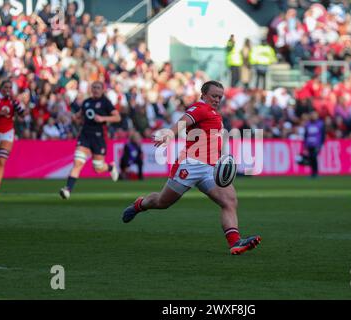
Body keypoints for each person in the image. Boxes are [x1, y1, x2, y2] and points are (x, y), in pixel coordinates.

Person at [121, 81, 261, 255]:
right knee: (162, 202)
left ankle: (235, 243)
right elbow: (183, 122)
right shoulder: (200, 108)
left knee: (229, 201)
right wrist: (169, 134)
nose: (217, 99)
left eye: (220, 97)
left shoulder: (214, 113)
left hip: (210, 167)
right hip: (190, 164)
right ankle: (140, 204)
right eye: (214, 96)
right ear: (203, 94)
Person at [60, 81, 121, 199]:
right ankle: (67, 189)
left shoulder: (106, 102)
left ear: (103, 90)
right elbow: (79, 116)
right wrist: (74, 117)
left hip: (99, 137)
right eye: (94, 87)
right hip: (85, 135)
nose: (96, 90)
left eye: (98, 87)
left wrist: (103, 118)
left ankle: (110, 167)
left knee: (98, 168)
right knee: (78, 162)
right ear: (91, 89)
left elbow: (117, 117)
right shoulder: (87, 102)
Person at [0, 79, 25, 198]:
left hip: (7, 132)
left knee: (1, 160)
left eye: (10, 88)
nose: (8, 90)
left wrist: (15, 103)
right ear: (1, 88)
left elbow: (22, 113)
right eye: (5, 87)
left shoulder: (12, 101)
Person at [297, 111, 326, 178]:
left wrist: (321, 144)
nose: (313, 116)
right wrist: (305, 145)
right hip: (309, 144)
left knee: (314, 157)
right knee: (311, 158)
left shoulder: (320, 124)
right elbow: (306, 135)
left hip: (317, 144)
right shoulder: (308, 124)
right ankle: (313, 173)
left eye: (314, 115)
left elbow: (323, 134)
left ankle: (315, 173)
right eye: (312, 115)